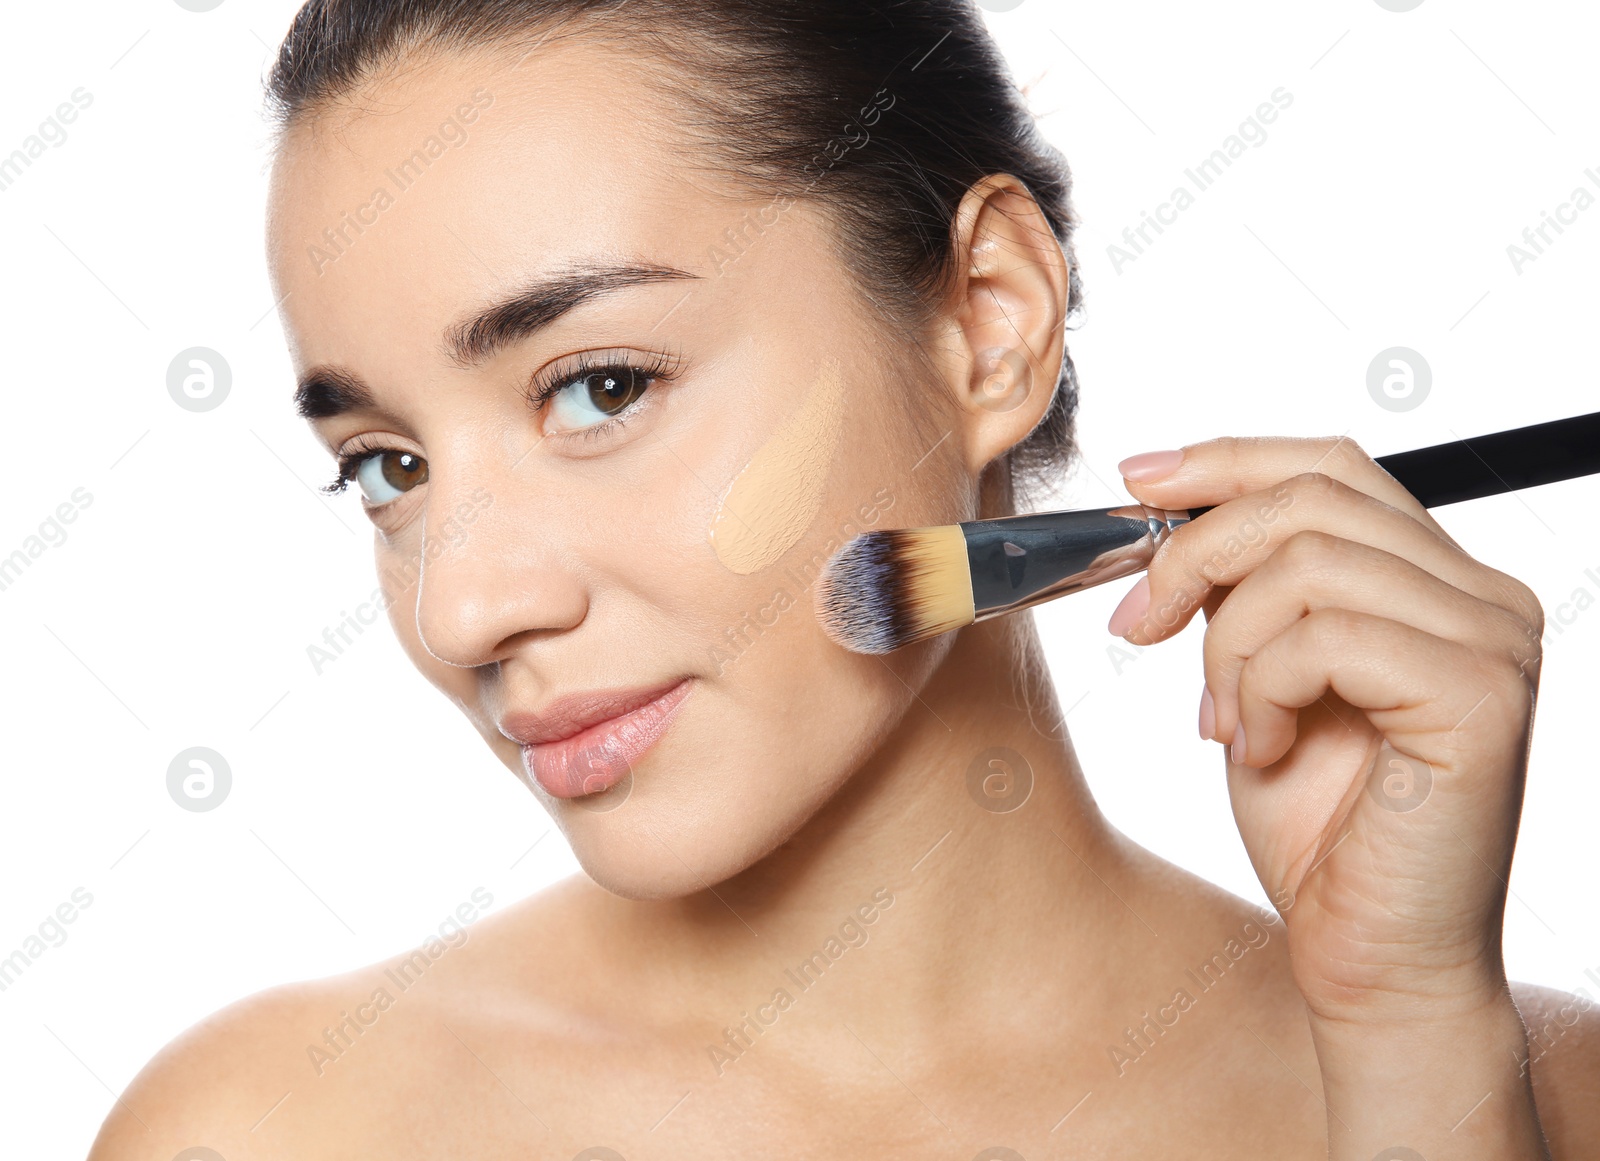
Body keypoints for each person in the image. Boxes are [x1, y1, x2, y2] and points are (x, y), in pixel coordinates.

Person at [90, 2, 1599, 1157]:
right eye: (389, 467)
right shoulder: (275, 1128)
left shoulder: (1528, 1092)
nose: (462, 609)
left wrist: (1410, 1046)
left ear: (989, 324)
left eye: (600, 386)